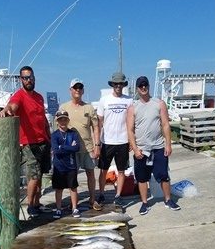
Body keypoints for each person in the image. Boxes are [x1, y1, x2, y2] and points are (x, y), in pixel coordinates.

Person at [0, 66, 51, 218]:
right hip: (30, 143)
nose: (29, 80)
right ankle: (30, 205)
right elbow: (12, 106)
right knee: (33, 176)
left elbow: (43, 119)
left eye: (31, 77)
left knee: (41, 175)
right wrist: (7, 110)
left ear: (35, 77)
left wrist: (49, 136)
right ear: (21, 79)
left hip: (44, 141)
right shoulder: (19, 95)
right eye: (25, 78)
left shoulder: (39, 97)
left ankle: (37, 202)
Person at [127, 75, 181, 215]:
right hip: (142, 150)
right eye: (140, 86)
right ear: (137, 89)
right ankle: (145, 203)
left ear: (149, 86)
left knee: (163, 175)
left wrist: (168, 144)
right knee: (142, 178)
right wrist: (135, 148)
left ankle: (168, 200)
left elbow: (165, 124)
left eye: (145, 85)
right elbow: (130, 130)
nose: (143, 88)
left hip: (158, 147)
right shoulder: (133, 107)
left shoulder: (159, 103)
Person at [59, 79, 102, 211]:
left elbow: (95, 127)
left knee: (90, 174)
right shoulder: (64, 107)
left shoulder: (88, 107)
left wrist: (97, 145)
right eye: (75, 87)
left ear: (83, 90)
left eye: (80, 87)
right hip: (71, 150)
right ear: (70, 90)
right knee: (72, 176)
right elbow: (59, 128)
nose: (78, 90)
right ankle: (74, 202)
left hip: (88, 148)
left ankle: (92, 200)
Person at [97, 72, 133, 207]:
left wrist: (131, 140)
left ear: (124, 85)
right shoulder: (104, 100)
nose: (118, 86)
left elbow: (131, 122)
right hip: (107, 141)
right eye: (116, 83)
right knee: (103, 170)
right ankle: (101, 193)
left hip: (123, 141)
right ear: (112, 85)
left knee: (122, 170)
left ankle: (118, 195)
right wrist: (98, 142)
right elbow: (99, 122)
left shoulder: (129, 101)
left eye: (121, 84)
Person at [51, 110, 80, 218]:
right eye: (60, 119)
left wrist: (62, 147)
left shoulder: (73, 133)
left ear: (68, 120)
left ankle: (74, 208)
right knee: (59, 188)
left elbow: (77, 148)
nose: (63, 121)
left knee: (73, 187)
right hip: (59, 166)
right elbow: (55, 150)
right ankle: (58, 208)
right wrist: (69, 147)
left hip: (71, 165)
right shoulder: (54, 135)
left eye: (64, 119)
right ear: (57, 121)